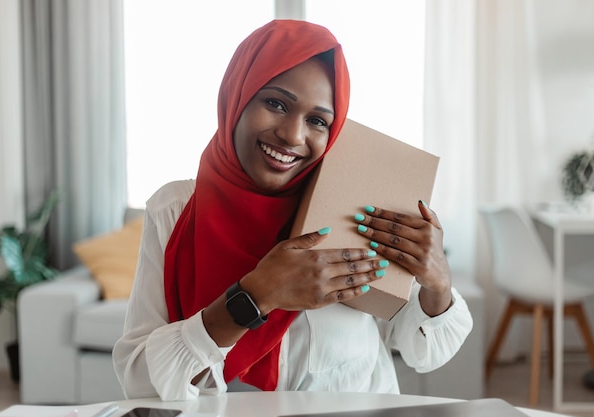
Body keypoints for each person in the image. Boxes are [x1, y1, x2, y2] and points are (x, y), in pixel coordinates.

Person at [112, 19, 473, 401]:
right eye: (275, 103)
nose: (293, 135)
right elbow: (139, 382)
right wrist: (254, 297)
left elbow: (425, 352)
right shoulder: (176, 210)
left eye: (317, 120)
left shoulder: (355, 205)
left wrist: (438, 283)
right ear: (237, 96)